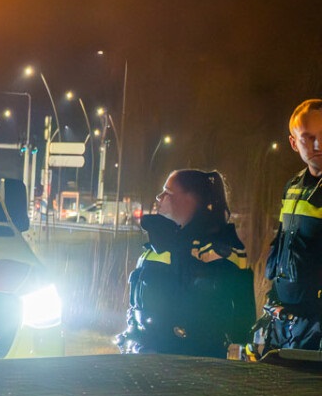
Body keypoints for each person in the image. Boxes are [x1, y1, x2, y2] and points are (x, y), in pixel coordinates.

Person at [117, 168, 253, 356]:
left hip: (194, 368)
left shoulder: (219, 251)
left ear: (191, 200)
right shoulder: (158, 243)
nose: (159, 197)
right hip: (147, 362)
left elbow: (240, 321)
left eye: (168, 193)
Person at [260, 99, 322, 351]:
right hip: (286, 319)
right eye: (308, 137)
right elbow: (284, 243)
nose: (318, 144)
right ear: (294, 143)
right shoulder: (293, 186)